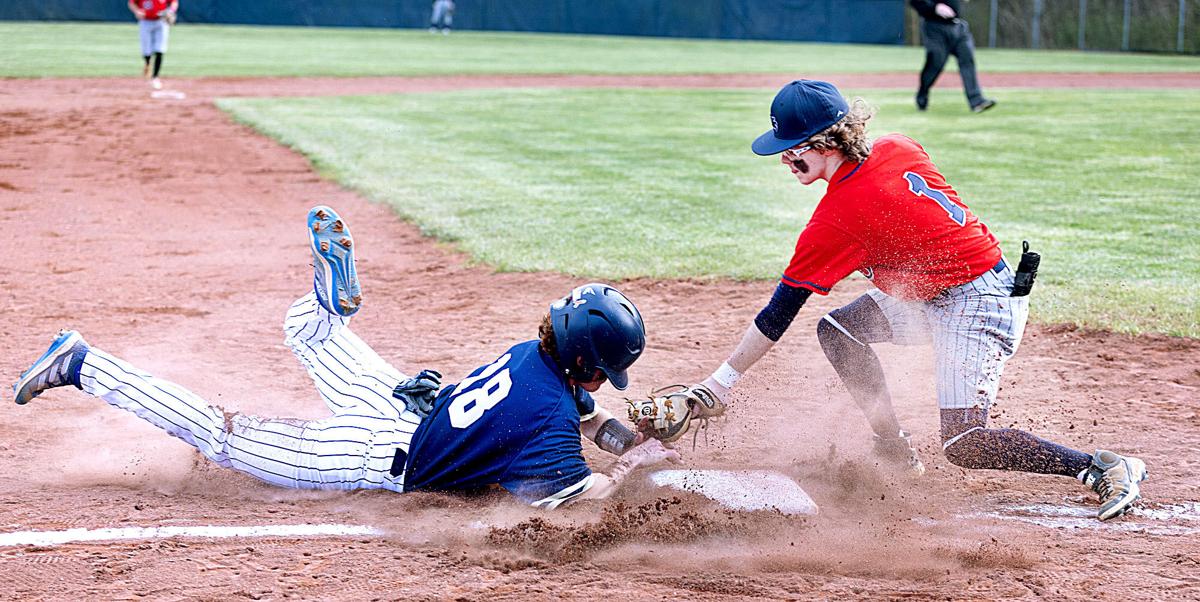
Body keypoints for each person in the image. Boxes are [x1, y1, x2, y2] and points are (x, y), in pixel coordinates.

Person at [676, 80, 1146, 521]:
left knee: (965, 442)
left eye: (790, 151)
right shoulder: (897, 145)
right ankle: (894, 449)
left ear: (822, 143)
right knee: (839, 331)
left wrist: (719, 383)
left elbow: (779, 313)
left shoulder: (837, 218)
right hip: (936, 290)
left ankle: (1102, 467)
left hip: (977, 302)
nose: (784, 160)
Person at [13, 206, 677, 509]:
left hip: (399, 399)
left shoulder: (533, 358)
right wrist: (636, 475)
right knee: (220, 433)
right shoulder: (547, 423)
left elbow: (588, 422)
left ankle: (326, 302)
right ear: (587, 363)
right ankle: (82, 363)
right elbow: (578, 495)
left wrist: (636, 444)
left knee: (310, 334)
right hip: (370, 449)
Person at [910, 0, 995, 113]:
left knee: (967, 60)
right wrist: (935, 8)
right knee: (935, 63)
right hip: (935, 28)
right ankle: (922, 96)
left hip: (958, 27)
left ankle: (976, 101)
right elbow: (916, 2)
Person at [128, 0, 178, 90]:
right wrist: (137, 11)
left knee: (160, 49)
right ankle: (147, 63)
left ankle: (155, 77)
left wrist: (171, 10)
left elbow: (174, 2)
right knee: (146, 50)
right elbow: (131, 3)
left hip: (161, 21)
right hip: (145, 21)